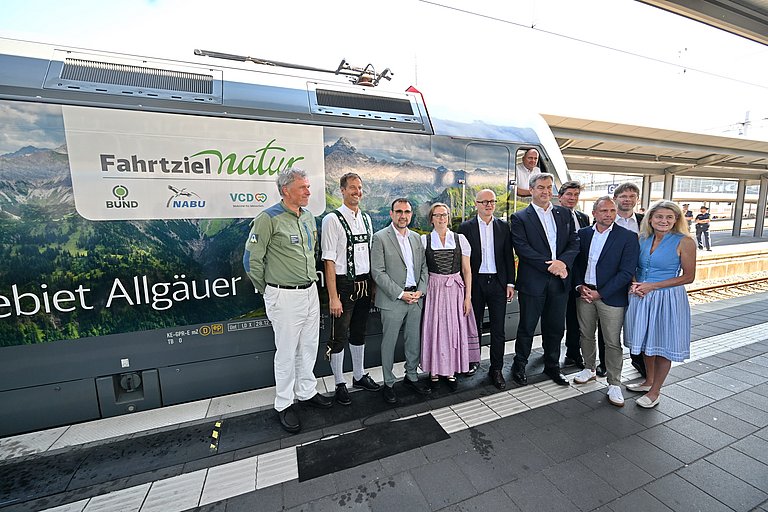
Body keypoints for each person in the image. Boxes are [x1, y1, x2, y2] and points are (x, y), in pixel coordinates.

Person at [243, 167, 332, 434]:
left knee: (308, 345)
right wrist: (269, 290)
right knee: (286, 351)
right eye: (303, 187)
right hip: (283, 295)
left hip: (310, 291)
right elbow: (251, 261)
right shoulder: (267, 219)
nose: (308, 191)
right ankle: (284, 403)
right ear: (286, 190)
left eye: (308, 186)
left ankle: (306, 392)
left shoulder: (307, 217)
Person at [624, 200, 697, 408]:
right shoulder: (642, 238)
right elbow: (636, 268)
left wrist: (652, 286)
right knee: (647, 342)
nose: (663, 221)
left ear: (676, 220)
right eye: (659, 216)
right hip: (642, 296)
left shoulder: (685, 241)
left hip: (667, 298)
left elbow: (688, 277)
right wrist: (635, 284)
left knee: (663, 344)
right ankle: (648, 382)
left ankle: (656, 391)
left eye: (669, 217)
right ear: (650, 218)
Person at [510, 173, 579, 386]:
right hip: (534, 281)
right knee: (527, 327)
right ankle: (519, 364)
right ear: (531, 190)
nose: (546, 191)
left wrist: (563, 264)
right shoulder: (520, 217)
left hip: (559, 282)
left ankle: (552, 366)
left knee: (556, 327)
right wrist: (553, 266)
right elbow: (523, 249)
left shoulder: (564, 214)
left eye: (549, 187)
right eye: (541, 187)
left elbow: (574, 241)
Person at [571, 197, 639, 407]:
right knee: (586, 334)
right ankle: (589, 368)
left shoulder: (627, 237)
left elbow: (627, 271)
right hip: (585, 293)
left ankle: (614, 383)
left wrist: (601, 293)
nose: (608, 214)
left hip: (611, 297)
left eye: (612, 210)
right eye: (603, 211)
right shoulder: (582, 235)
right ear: (594, 213)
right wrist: (579, 286)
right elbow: (575, 263)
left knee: (611, 341)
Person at [321, 172, 381, 406]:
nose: (357, 192)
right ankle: (338, 383)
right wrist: (334, 297)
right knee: (338, 336)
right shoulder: (332, 220)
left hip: (365, 282)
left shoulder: (366, 219)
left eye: (360, 188)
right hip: (344, 285)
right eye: (352, 188)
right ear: (342, 190)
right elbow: (328, 261)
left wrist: (373, 286)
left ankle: (358, 375)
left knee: (359, 332)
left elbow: (370, 255)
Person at [370, 198, 431, 404]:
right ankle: (388, 383)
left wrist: (421, 291)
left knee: (413, 340)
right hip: (393, 299)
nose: (403, 215)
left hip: (415, 298)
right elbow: (377, 272)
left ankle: (411, 376)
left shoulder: (416, 238)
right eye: (399, 211)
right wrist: (400, 293)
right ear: (391, 213)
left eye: (406, 212)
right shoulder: (380, 238)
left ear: (411, 214)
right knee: (389, 342)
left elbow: (423, 267)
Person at [459, 189, 516, 390]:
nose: (489, 205)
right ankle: (472, 362)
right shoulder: (465, 228)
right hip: (475, 283)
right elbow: (461, 260)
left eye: (492, 201)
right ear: (476, 204)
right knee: (472, 326)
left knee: (498, 329)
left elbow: (508, 256)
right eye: (484, 202)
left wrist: (510, 283)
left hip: (498, 283)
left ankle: (497, 369)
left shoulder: (503, 227)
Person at [420, 203, 478, 392]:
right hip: (434, 288)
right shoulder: (424, 241)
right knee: (435, 329)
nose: (441, 218)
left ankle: (451, 369)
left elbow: (467, 270)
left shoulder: (460, 239)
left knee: (453, 329)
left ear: (448, 217)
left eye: (444, 215)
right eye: (437, 215)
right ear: (431, 219)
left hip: (455, 289)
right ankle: (435, 370)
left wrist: (468, 297)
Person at [602, 182, 647, 379]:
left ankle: (638, 360)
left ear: (637, 200)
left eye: (632, 196)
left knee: (638, 322)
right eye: (623, 196)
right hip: (613, 280)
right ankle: (604, 363)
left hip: (640, 280)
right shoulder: (607, 220)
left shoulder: (646, 220)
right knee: (608, 324)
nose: (627, 200)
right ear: (616, 199)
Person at [558, 181, 591, 369]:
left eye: (576, 195)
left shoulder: (583, 217)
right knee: (556, 316)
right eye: (569, 194)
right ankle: (551, 353)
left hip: (581, 273)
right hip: (561, 272)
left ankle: (573, 352)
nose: (572, 198)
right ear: (560, 196)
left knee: (576, 316)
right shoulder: (554, 215)